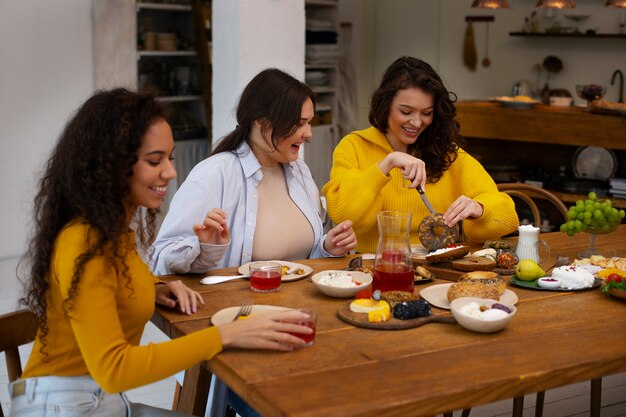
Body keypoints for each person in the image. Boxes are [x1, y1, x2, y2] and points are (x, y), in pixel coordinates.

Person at [12, 89, 314, 417]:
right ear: (109, 164)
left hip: (101, 402)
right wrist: (224, 335)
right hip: (61, 406)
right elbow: (114, 369)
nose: (170, 172)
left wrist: (154, 286)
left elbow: (118, 281)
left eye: (169, 158)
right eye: (155, 161)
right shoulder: (85, 242)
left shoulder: (113, 234)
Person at [150, 68, 357, 275]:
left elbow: (303, 262)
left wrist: (328, 247)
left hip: (298, 304)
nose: (308, 133)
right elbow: (160, 257)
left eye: (309, 123)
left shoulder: (300, 171)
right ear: (261, 122)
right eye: (299, 123)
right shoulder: (214, 174)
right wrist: (204, 249)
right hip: (241, 306)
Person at [322, 57, 518, 253]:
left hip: (438, 270)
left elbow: (508, 217)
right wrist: (387, 164)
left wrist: (480, 209)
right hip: (376, 269)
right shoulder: (353, 146)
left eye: (426, 113)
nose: (416, 123)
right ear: (385, 105)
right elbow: (345, 218)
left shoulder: (446, 153)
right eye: (406, 112)